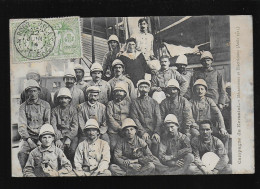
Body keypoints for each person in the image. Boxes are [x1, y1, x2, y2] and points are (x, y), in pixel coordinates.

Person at [18, 79, 51, 169]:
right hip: (28, 137)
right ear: (26, 93)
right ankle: (26, 173)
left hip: (42, 135)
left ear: (39, 91)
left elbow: (47, 123)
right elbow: (22, 125)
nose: (32, 93)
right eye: (30, 91)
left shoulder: (46, 105)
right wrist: (29, 140)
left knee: (46, 153)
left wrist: (42, 138)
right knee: (21, 152)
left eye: (34, 91)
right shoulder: (23, 107)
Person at [190, 79, 229, 150]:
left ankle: (222, 154)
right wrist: (194, 124)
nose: (200, 91)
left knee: (224, 135)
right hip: (196, 127)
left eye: (202, 89)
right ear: (194, 91)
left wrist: (222, 128)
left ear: (205, 91)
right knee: (198, 136)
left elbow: (218, 114)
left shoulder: (209, 101)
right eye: (197, 89)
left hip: (208, 126)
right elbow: (189, 116)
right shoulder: (191, 102)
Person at [130, 80, 161, 156]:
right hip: (141, 130)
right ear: (138, 89)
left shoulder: (154, 102)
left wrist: (156, 132)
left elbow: (158, 118)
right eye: (141, 87)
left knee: (155, 141)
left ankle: (155, 161)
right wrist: (143, 132)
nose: (143, 89)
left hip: (153, 130)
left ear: (149, 89)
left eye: (146, 87)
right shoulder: (134, 103)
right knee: (147, 142)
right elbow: (135, 119)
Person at [50, 87, 79, 163]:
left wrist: (69, 138)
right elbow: (53, 126)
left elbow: (75, 126)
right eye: (61, 98)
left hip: (71, 135)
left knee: (72, 150)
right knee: (58, 150)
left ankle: (72, 165)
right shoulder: (54, 111)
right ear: (58, 99)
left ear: (69, 99)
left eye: (66, 98)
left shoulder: (73, 110)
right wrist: (57, 139)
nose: (63, 100)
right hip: (59, 135)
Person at [107, 82, 131, 151]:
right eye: (116, 91)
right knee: (113, 145)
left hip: (126, 128)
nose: (118, 93)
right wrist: (118, 127)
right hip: (113, 130)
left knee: (127, 145)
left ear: (125, 94)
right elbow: (110, 117)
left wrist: (125, 127)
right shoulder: (110, 104)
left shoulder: (128, 103)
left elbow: (130, 116)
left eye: (121, 91)